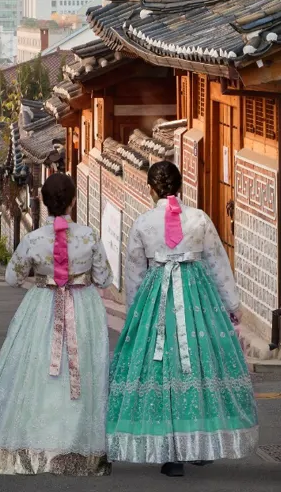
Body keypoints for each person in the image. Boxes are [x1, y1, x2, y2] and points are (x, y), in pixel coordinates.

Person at [107, 161, 258, 477]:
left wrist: (136, 314)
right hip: (197, 300)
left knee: (161, 371)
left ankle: (170, 453)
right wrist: (232, 304)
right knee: (200, 366)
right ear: (180, 187)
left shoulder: (143, 223)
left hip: (155, 301)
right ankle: (200, 444)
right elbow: (217, 262)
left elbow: (134, 271)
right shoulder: (199, 218)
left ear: (151, 188)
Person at [0, 173, 113, 476]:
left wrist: (42, 277)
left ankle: (35, 443)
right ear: (73, 201)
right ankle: (80, 447)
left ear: (44, 202)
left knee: (38, 372)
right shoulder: (89, 235)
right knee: (82, 373)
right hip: (82, 308)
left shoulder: (33, 239)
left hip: (42, 306)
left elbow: (11, 277)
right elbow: (105, 278)